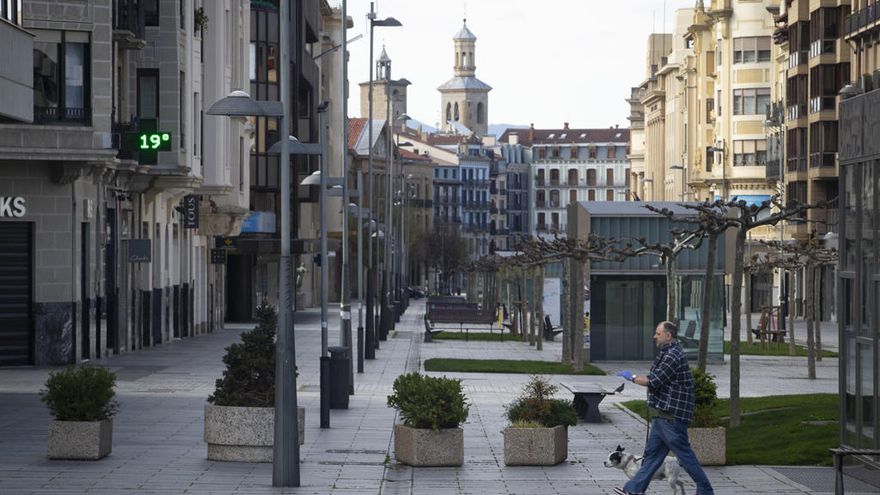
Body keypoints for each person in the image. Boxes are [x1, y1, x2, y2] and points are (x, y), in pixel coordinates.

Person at [613, 321, 715, 495]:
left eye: (658, 333)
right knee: (652, 457)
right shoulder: (667, 353)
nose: (654, 336)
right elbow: (656, 378)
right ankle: (633, 489)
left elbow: (654, 381)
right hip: (662, 417)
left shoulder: (672, 356)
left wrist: (632, 377)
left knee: (685, 456)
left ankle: (705, 490)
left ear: (668, 336)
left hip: (671, 418)